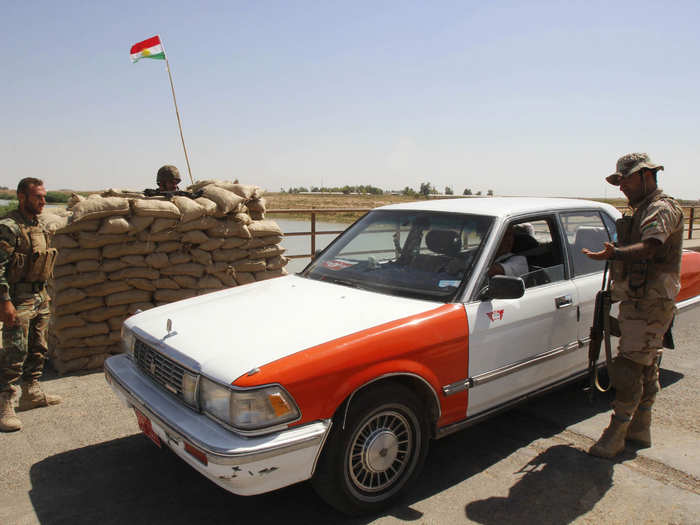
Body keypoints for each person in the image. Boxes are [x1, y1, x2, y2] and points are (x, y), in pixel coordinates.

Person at [583, 153, 683, 458]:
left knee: (627, 370)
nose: (622, 186)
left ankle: (616, 433)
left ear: (646, 175)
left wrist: (616, 254)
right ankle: (640, 429)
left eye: (625, 179)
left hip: (651, 303)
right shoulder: (641, 209)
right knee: (645, 366)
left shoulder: (660, 208)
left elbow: (651, 247)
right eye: (619, 181)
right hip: (638, 299)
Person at [0, 178, 62, 432]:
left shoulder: (38, 225)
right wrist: (4, 303)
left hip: (39, 296)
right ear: (22, 197)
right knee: (15, 352)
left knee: (38, 347)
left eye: (44, 196)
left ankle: (32, 391)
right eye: (38, 197)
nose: (43, 201)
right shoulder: (9, 227)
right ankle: (5, 401)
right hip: (18, 298)